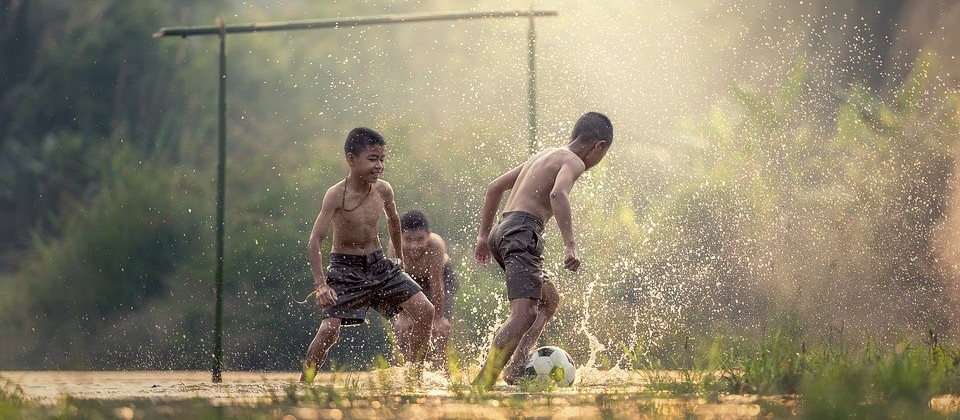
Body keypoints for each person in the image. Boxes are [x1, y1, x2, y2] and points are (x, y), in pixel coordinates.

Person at [472, 112, 613, 389]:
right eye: (602, 153)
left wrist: (483, 236)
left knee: (549, 300)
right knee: (523, 314)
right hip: (523, 231)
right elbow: (557, 194)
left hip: (504, 230)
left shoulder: (546, 154)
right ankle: (482, 384)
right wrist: (569, 245)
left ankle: (515, 369)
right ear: (598, 146)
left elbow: (494, 187)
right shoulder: (573, 161)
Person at [300, 127, 435, 382]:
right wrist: (321, 285)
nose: (379, 165)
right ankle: (304, 384)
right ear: (352, 160)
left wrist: (399, 262)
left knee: (426, 311)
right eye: (373, 159)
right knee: (329, 329)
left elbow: (394, 221)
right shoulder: (335, 195)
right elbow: (315, 240)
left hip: (380, 265)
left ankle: (415, 377)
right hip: (345, 268)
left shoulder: (383, 190)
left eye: (382, 159)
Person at [389, 210, 460, 369]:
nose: (415, 246)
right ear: (400, 237)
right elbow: (396, 283)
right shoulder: (395, 247)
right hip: (408, 281)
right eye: (408, 240)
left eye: (420, 239)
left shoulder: (436, 245)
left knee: (440, 330)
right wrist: (403, 316)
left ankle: (444, 368)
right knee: (403, 329)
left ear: (429, 234)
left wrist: (439, 318)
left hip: (440, 278)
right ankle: (407, 369)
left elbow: (436, 282)